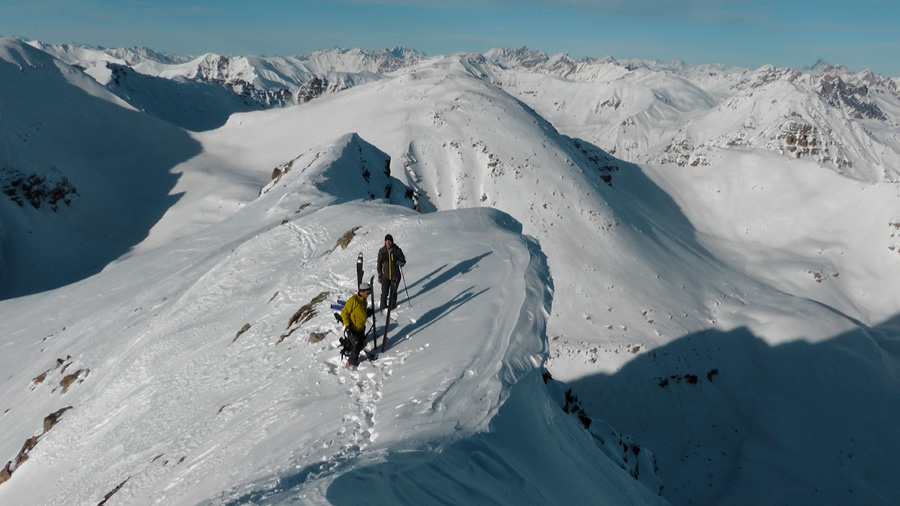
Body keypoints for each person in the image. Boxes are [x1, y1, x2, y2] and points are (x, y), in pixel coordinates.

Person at [340, 282, 372, 369]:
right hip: (352, 329)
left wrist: (368, 313)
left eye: (369, 293)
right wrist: (348, 325)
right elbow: (344, 312)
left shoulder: (364, 301)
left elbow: (360, 313)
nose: (368, 295)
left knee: (360, 343)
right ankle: (351, 363)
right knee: (357, 346)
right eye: (367, 293)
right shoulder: (353, 300)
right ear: (361, 291)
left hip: (360, 328)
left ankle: (350, 346)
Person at [377, 234, 406, 311]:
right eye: (387, 241)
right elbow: (379, 263)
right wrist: (379, 274)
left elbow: (403, 260)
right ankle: (382, 308)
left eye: (389, 241)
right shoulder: (382, 251)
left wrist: (400, 262)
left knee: (393, 292)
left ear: (392, 242)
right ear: (385, 242)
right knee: (384, 293)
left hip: (395, 275)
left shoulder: (397, 250)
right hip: (385, 276)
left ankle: (392, 308)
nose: (388, 243)